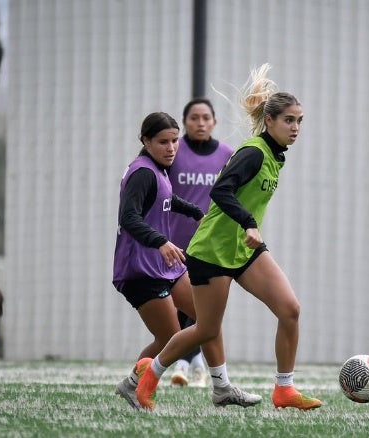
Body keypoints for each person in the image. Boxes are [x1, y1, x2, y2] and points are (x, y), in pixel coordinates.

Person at [134, 63, 322, 411]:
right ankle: (147, 378)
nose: (296, 128)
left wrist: (250, 231)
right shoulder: (253, 152)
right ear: (270, 121)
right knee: (205, 329)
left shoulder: (275, 156)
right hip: (212, 250)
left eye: (300, 121)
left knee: (290, 309)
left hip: (244, 249)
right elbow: (221, 191)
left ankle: (284, 390)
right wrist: (249, 223)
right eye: (289, 120)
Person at [113, 112, 259, 410]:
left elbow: (166, 199)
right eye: (163, 142)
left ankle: (222, 387)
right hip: (139, 269)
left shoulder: (159, 169)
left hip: (165, 265)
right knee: (172, 338)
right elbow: (128, 218)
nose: (171, 148)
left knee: (207, 321)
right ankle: (131, 385)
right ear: (145, 141)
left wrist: (195, 212)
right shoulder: (142, 172)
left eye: (174, 141)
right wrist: (162, 242)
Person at [168, 97, 233, 388]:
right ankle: (193, 363)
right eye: (194, 117)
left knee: (200, 306)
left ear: (215, 121)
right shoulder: (172, 151)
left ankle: (187, 363)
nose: (201, 122)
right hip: (172, 243)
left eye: (206, 117)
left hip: (210, 245)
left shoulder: (227, 155)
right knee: (181, 306)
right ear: (185, 121)